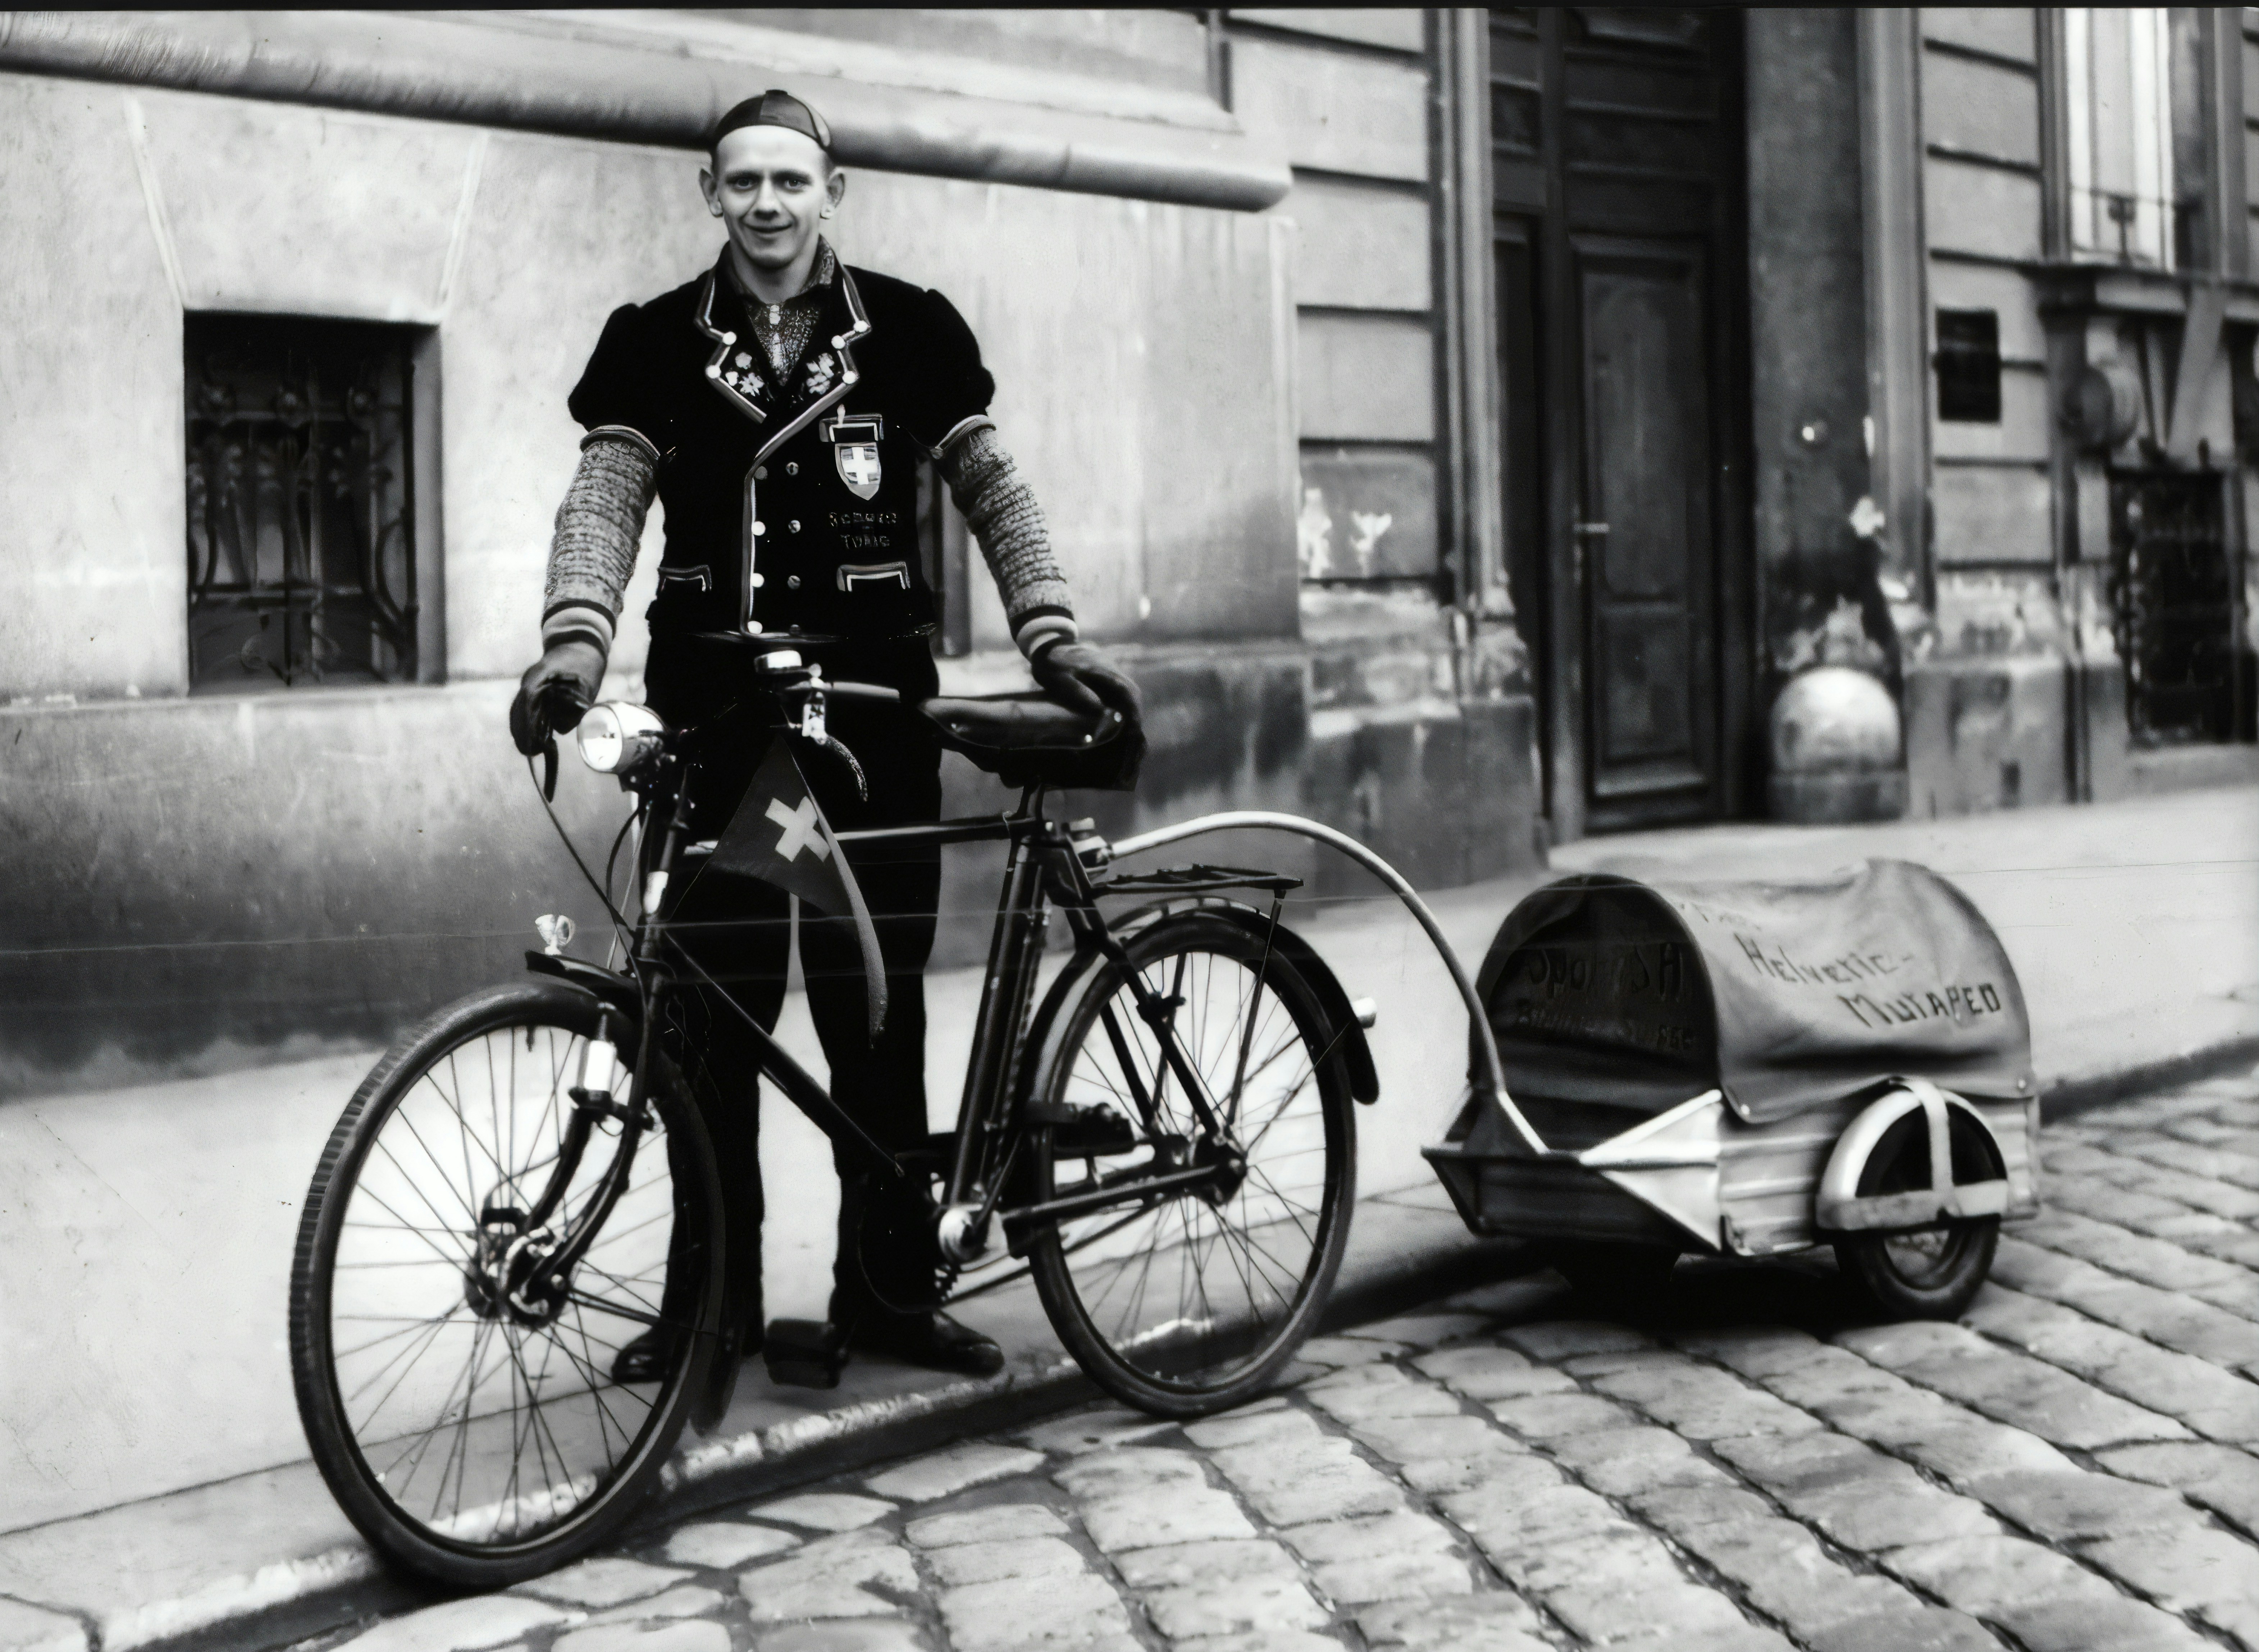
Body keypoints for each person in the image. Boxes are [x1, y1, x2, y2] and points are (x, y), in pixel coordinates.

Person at [509, 89, 1141, 1381]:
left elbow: (992, 486)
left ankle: (890, 1294)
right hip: (716, 722)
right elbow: (605, 498)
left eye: (790, 181)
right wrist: (574, 637)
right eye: (743, 181)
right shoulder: (655, 341)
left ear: (830, 191)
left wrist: (1051, 632)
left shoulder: (906, 328)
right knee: (707, 1021)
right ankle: (712, 1305)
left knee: (875, 1012)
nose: (767, 204)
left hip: (870, 718)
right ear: (711, 194)